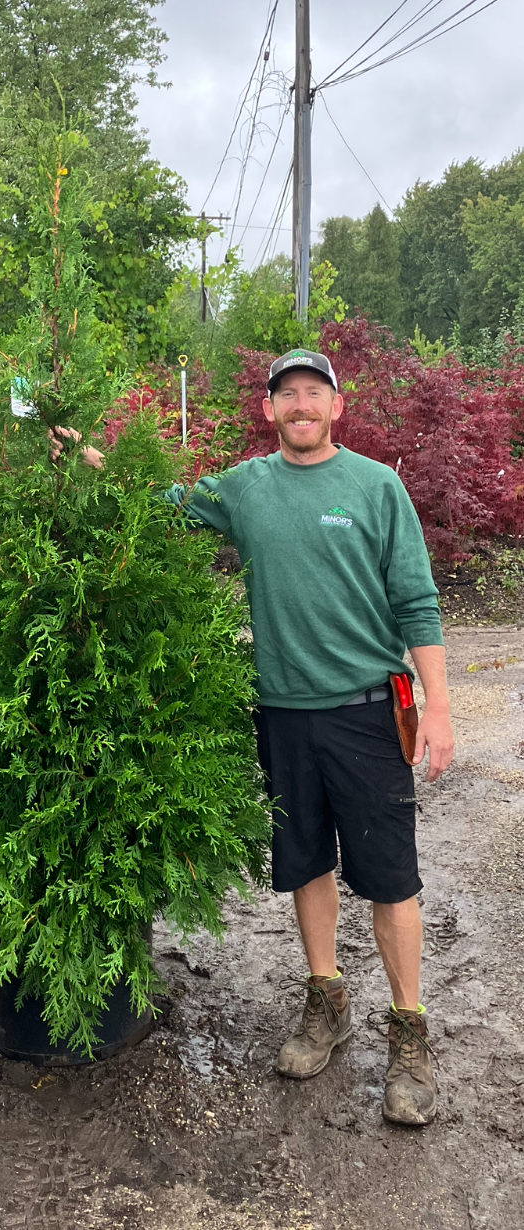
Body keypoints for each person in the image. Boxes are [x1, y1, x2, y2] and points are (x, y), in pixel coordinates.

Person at [52, 346, 455, 1127]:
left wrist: (436, 706)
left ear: (336, 407)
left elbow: (417, 602)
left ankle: (410, 1032)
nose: (300, 406)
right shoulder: (243, 489)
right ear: (269, 410)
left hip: (369, 713)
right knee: (305, 864)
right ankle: (326, 1000)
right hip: (282, 715)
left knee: (390, 879)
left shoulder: (376, 486)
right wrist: (83, 455)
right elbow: (154, 499)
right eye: (286, 395)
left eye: (314, 393)